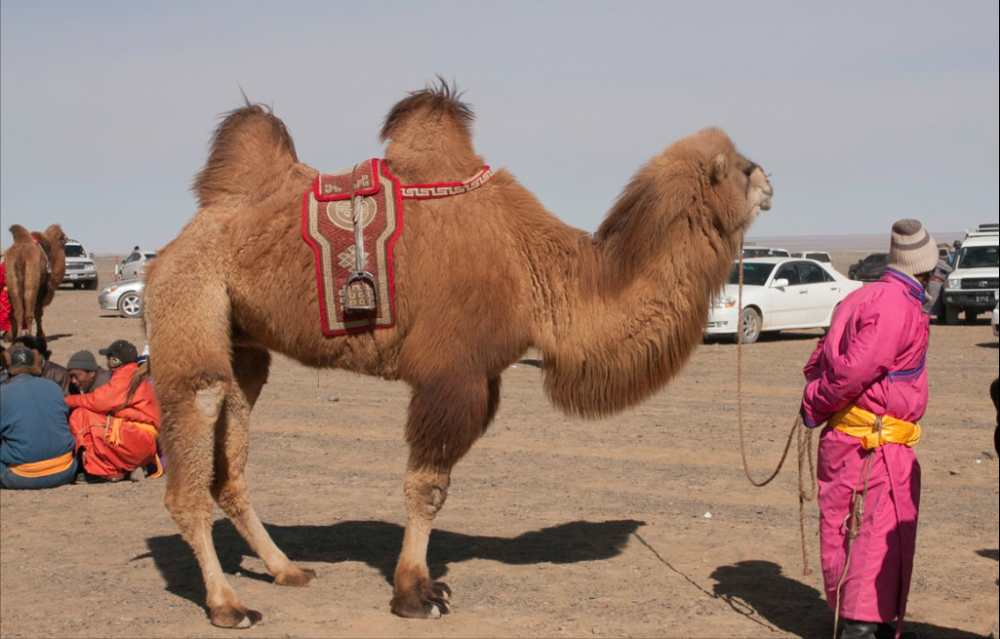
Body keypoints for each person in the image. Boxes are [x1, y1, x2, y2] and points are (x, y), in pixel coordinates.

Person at [800, 219, 939, 639]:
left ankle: (865, 623)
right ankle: (859, 630)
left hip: (856, 440)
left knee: (852, 533)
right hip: (870, 447)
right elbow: (851, 372)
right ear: (926, 267)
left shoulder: (862, 296)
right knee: (870, 539)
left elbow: (819, 360)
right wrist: (815, 403)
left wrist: (818, 400)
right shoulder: (896, 305)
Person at [65, 339, 161, 482]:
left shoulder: (126, 376)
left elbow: (99, 401)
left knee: (81, 415)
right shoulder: (133, 374)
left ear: (114, 361)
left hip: (137, 438)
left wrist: (67, 401)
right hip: (141, 439)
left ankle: (103, 471)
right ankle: (124, 469)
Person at [1, 345, 79, 489]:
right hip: (66, 470)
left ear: (7, 364)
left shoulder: (3, 393)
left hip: (23, 476)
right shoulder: (53, 387)